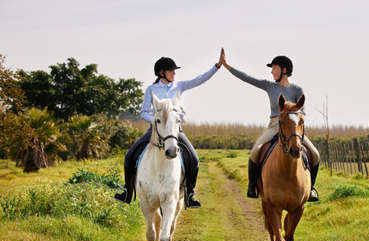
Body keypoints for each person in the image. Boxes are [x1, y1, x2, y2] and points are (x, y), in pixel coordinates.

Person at [115, 51, 223, 207]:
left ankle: (189, 194)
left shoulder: (179, 86)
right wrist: (157, 122)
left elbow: (199, 79)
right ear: (162, 73)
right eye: (171, 70)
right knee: (130, 155)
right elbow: (144, 112)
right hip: (155, 130)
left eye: (174, 71)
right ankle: (127, 191)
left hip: (175, 131)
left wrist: (217, 66)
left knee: (194, 159)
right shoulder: (151, 89)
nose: (174, 73)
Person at [221, 50, 320, 201]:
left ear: (284, 70)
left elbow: (301, 113)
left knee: (315, 155)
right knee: (255, 151)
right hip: (274, 125)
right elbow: (247, 78)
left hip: (293, 128)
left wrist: (296, 123)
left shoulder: (297, 90)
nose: (272, 71)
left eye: (274, 68)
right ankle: (252, 186)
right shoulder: (270, 86)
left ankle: (310, 189)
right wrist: (227, 66)